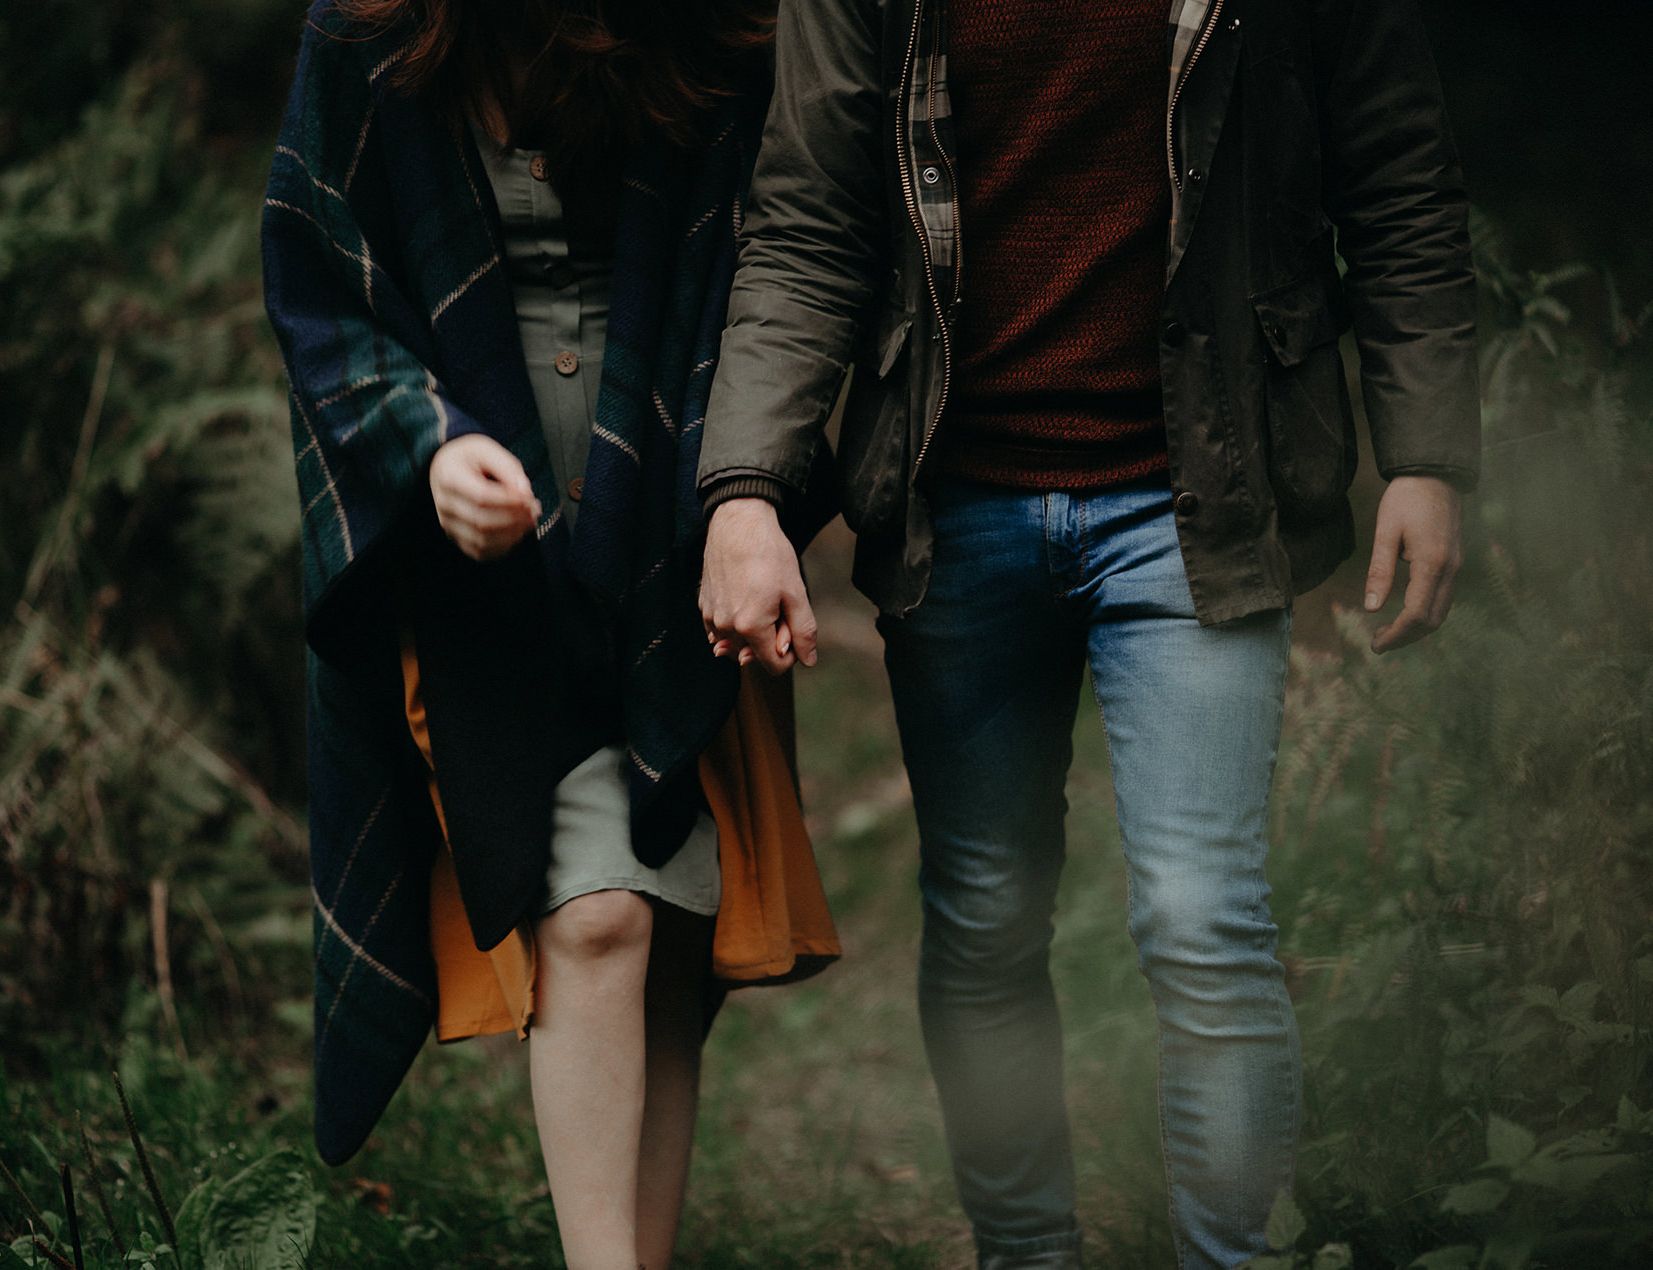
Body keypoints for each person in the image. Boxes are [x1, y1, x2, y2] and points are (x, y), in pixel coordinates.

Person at [696, 0, 1480, 1266]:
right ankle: (1025, 1253)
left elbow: (1396, 183)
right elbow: (804, 226)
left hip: (1198, 496)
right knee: (987, 914)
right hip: (956, 510)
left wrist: (1425, 454)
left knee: (1201, 912)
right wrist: (745, 489)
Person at [261, 3, 839, 1266]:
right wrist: (426, 442)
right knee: (595, 915)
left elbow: (777, 261)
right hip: (477, 552)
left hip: (675, 512)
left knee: (670, 909)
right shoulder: (367, 28)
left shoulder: (709, 29)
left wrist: (746, 489)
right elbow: (316, 278)